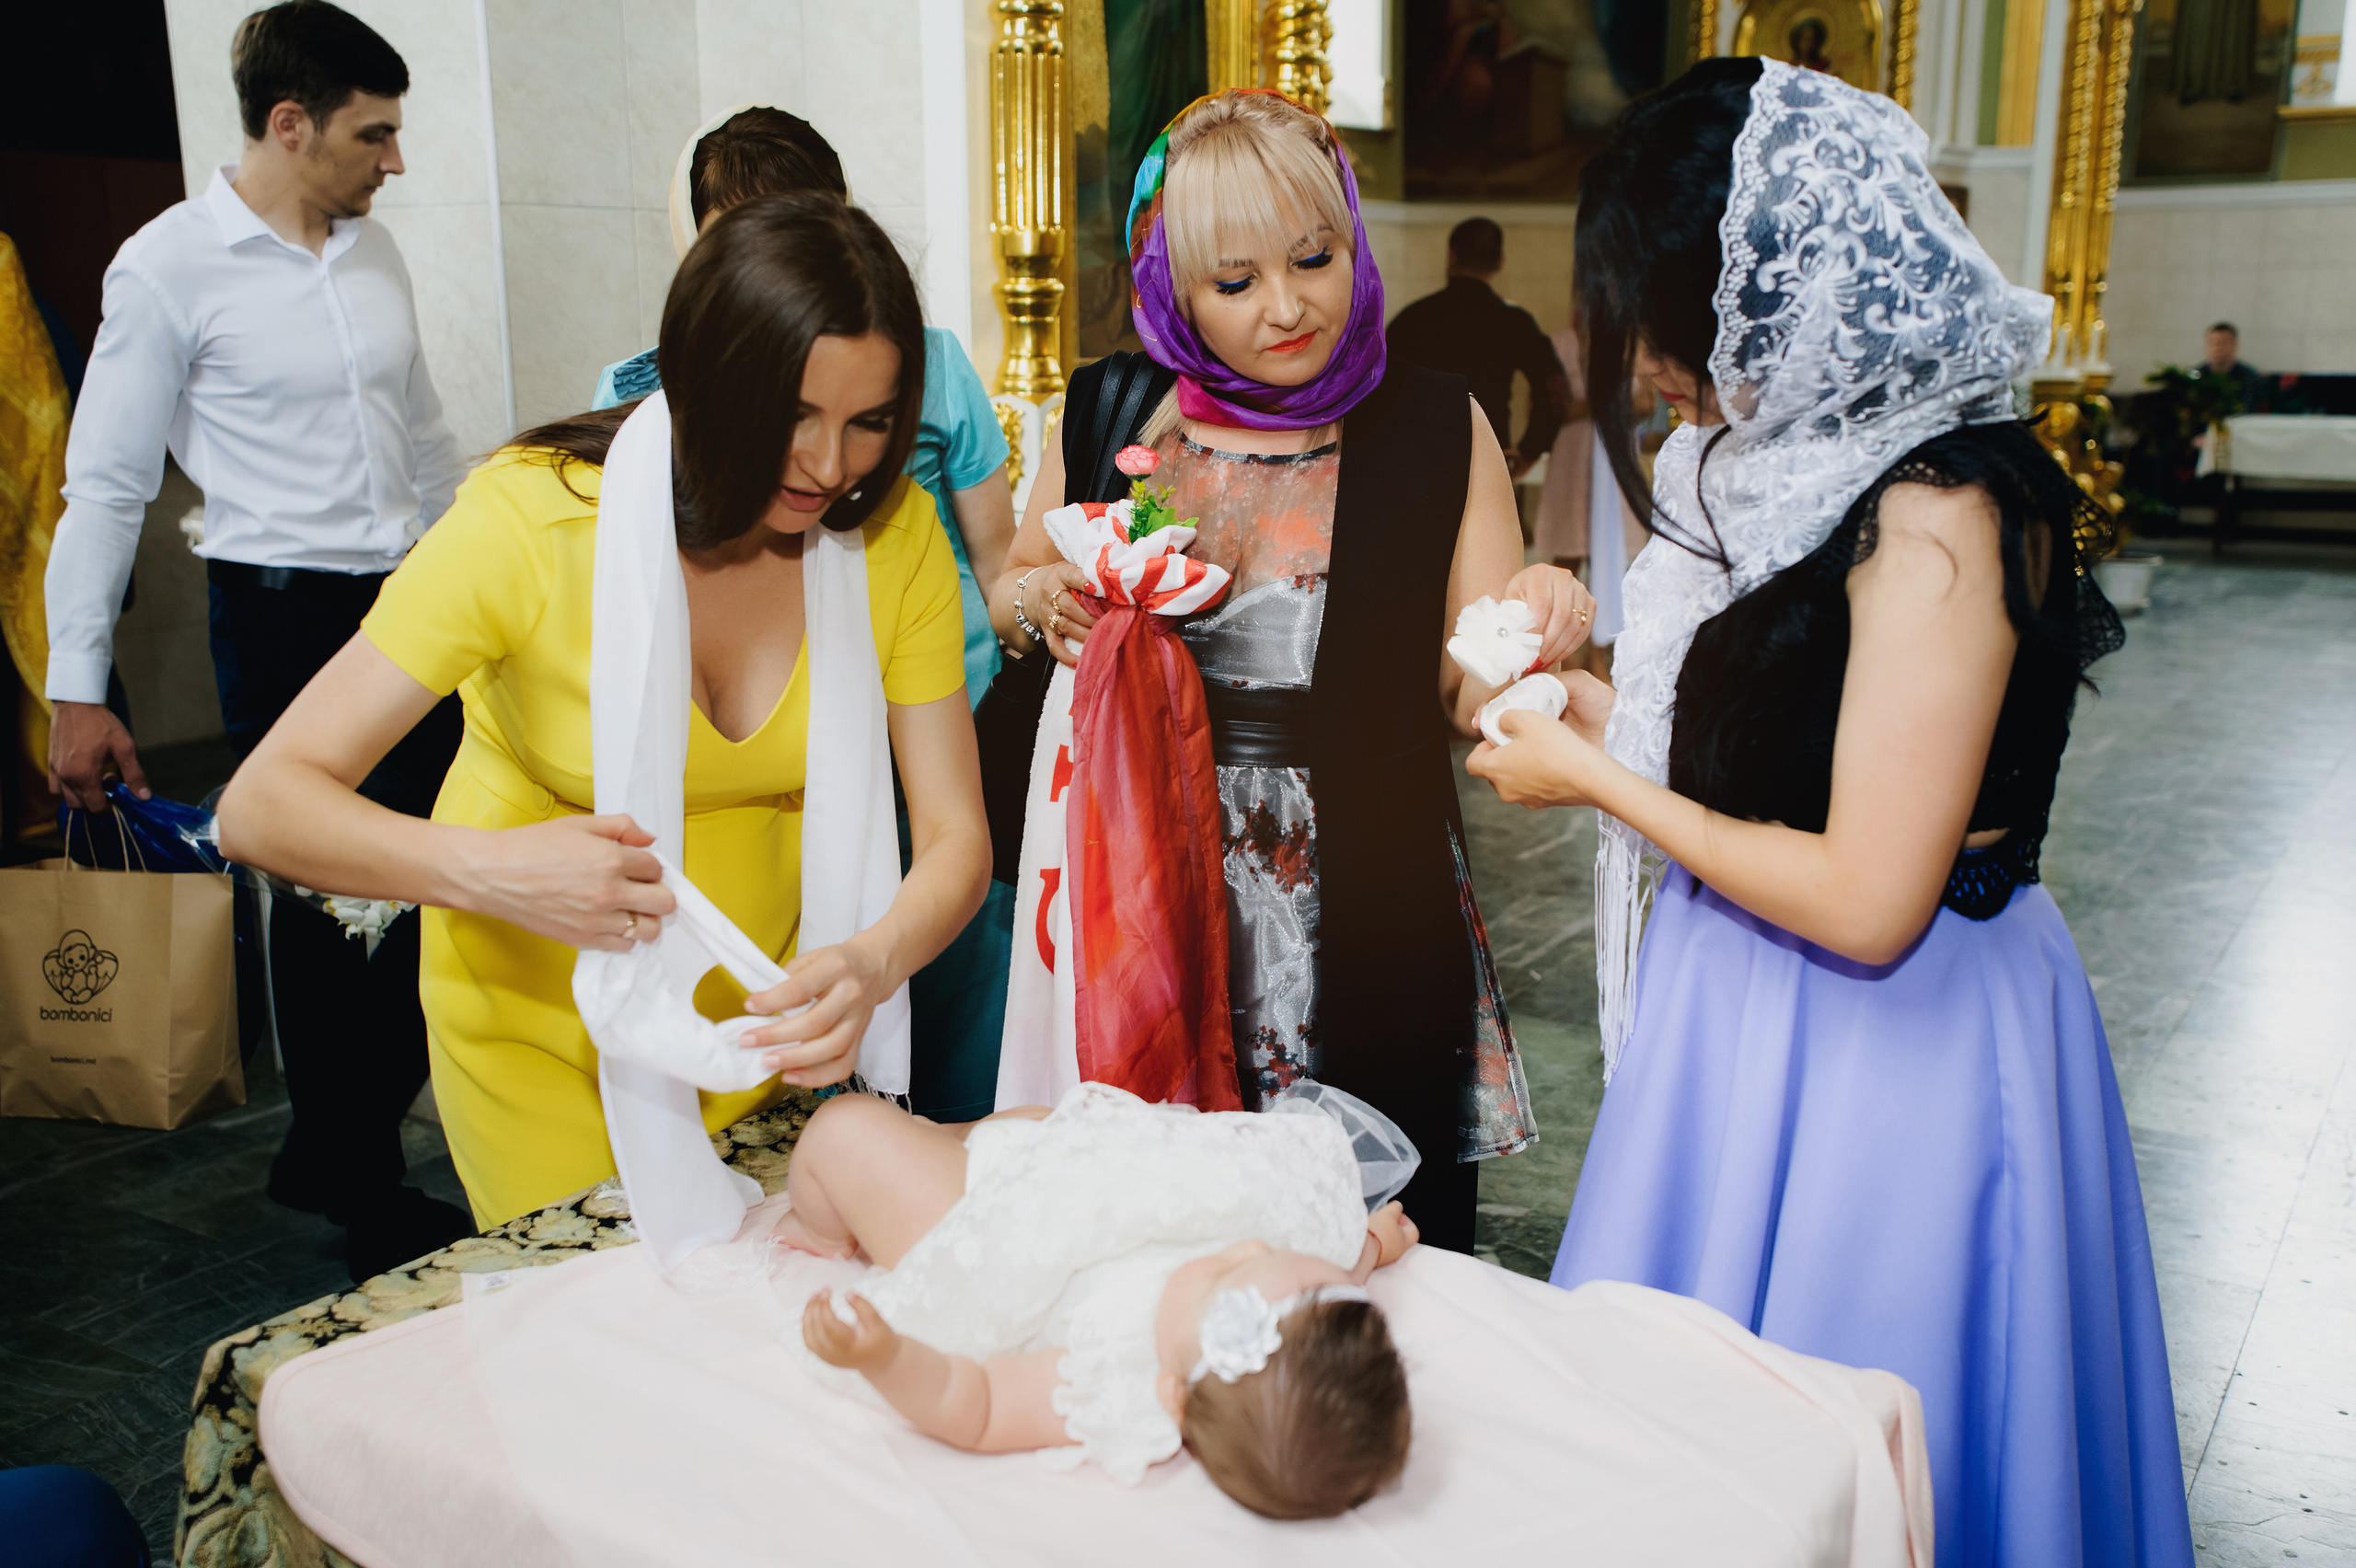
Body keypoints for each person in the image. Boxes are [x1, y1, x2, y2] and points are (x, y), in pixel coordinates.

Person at [1466, 61, 2190, 1566]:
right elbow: (1779, 750)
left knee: (1867, 1445)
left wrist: (1598, 782)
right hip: (1743, 1005)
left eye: (1661, 319)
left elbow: (1872, 891)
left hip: (1898, 1045)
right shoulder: (1776, 469)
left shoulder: (1948, 512)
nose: (1654, 367)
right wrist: (1606, 714)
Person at [215, 192, 990, 1230]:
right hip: (535, 1026)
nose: (828, 466)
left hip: (751, 1028)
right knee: (599, 1341)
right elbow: (260, 806)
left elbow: (952, 834)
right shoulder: (531, 520)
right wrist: (492, 872)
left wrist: (871, 958)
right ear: (706, 384)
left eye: (869, 424)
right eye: (791, 416)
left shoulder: (891, 545)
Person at [989, 89, 1593, 1255]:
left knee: (1373, 1249)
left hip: (1366, 883)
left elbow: (1474, 686)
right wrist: (1043, 601)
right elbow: (1014, 586)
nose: (1287, 307)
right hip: (1148, 872)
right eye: (1235, 283)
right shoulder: (1114, 407)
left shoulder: (1433, 423)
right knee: (1159, 1231)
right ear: (1174, 284)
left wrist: (1532, 624)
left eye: (1314, 258)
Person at [43, 0, 471, 1280]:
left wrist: (483, 600)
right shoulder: (166, 266)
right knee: (334, 909)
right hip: (279, 616)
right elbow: (104, 489)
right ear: (290, 125)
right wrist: (77, 690)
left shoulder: (374, 255)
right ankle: (358, 1187)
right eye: (374, 134)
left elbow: (433, 443)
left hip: (407, 610)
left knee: (433, 881)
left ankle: (344, 1150)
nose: (395, 161)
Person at [590, 105, 1018, 1127]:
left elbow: (997, 553)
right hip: (762, 751)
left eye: (869, 424)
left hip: (927, 715)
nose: (828, 465)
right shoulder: (630, 406)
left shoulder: (924, 371)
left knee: (949, 968)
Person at [786, 1082, 1420, 1517]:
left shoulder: (1118, 1371)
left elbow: (976, 1403)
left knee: (843, 1131)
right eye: (1283, 1258)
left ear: (1171, 1397)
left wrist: (887, 1357)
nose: (1248, 1245)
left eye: (1221, 1276)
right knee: (1032, 1119)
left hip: (981, 1221)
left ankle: (825, 1229)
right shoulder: (1288, 1292)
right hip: (1070, 1167)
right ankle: (946, 1134)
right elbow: (1339, 1268)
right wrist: (1371, 1244)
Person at [1382, 216, 1568, 480]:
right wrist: (1530, 449)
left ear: (1452, 258)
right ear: (1500, 261)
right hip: (1490, 460)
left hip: (1422, 460)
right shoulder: (1513, 322)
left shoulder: (1413, 319)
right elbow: (1554, 389)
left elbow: (1381, 390)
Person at [1530, 308, 1650, 671]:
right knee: (1567, 559)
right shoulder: (1558, 346)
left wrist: (1612, 403)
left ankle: (1601, 655)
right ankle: (1555, 655)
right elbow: (1544, 411)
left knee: (1609, 559)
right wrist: (1597, 403)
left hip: (1612, 464)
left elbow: (1645, 403)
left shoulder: (1626, 345)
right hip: (1572, 463)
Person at [2191, 319, 2265, 410]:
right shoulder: (2196, 376)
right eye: (2213, 342)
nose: (2217, 348)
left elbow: (2250, 411)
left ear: (2235, 345)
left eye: (2224, 343)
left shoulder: (2250, 378)